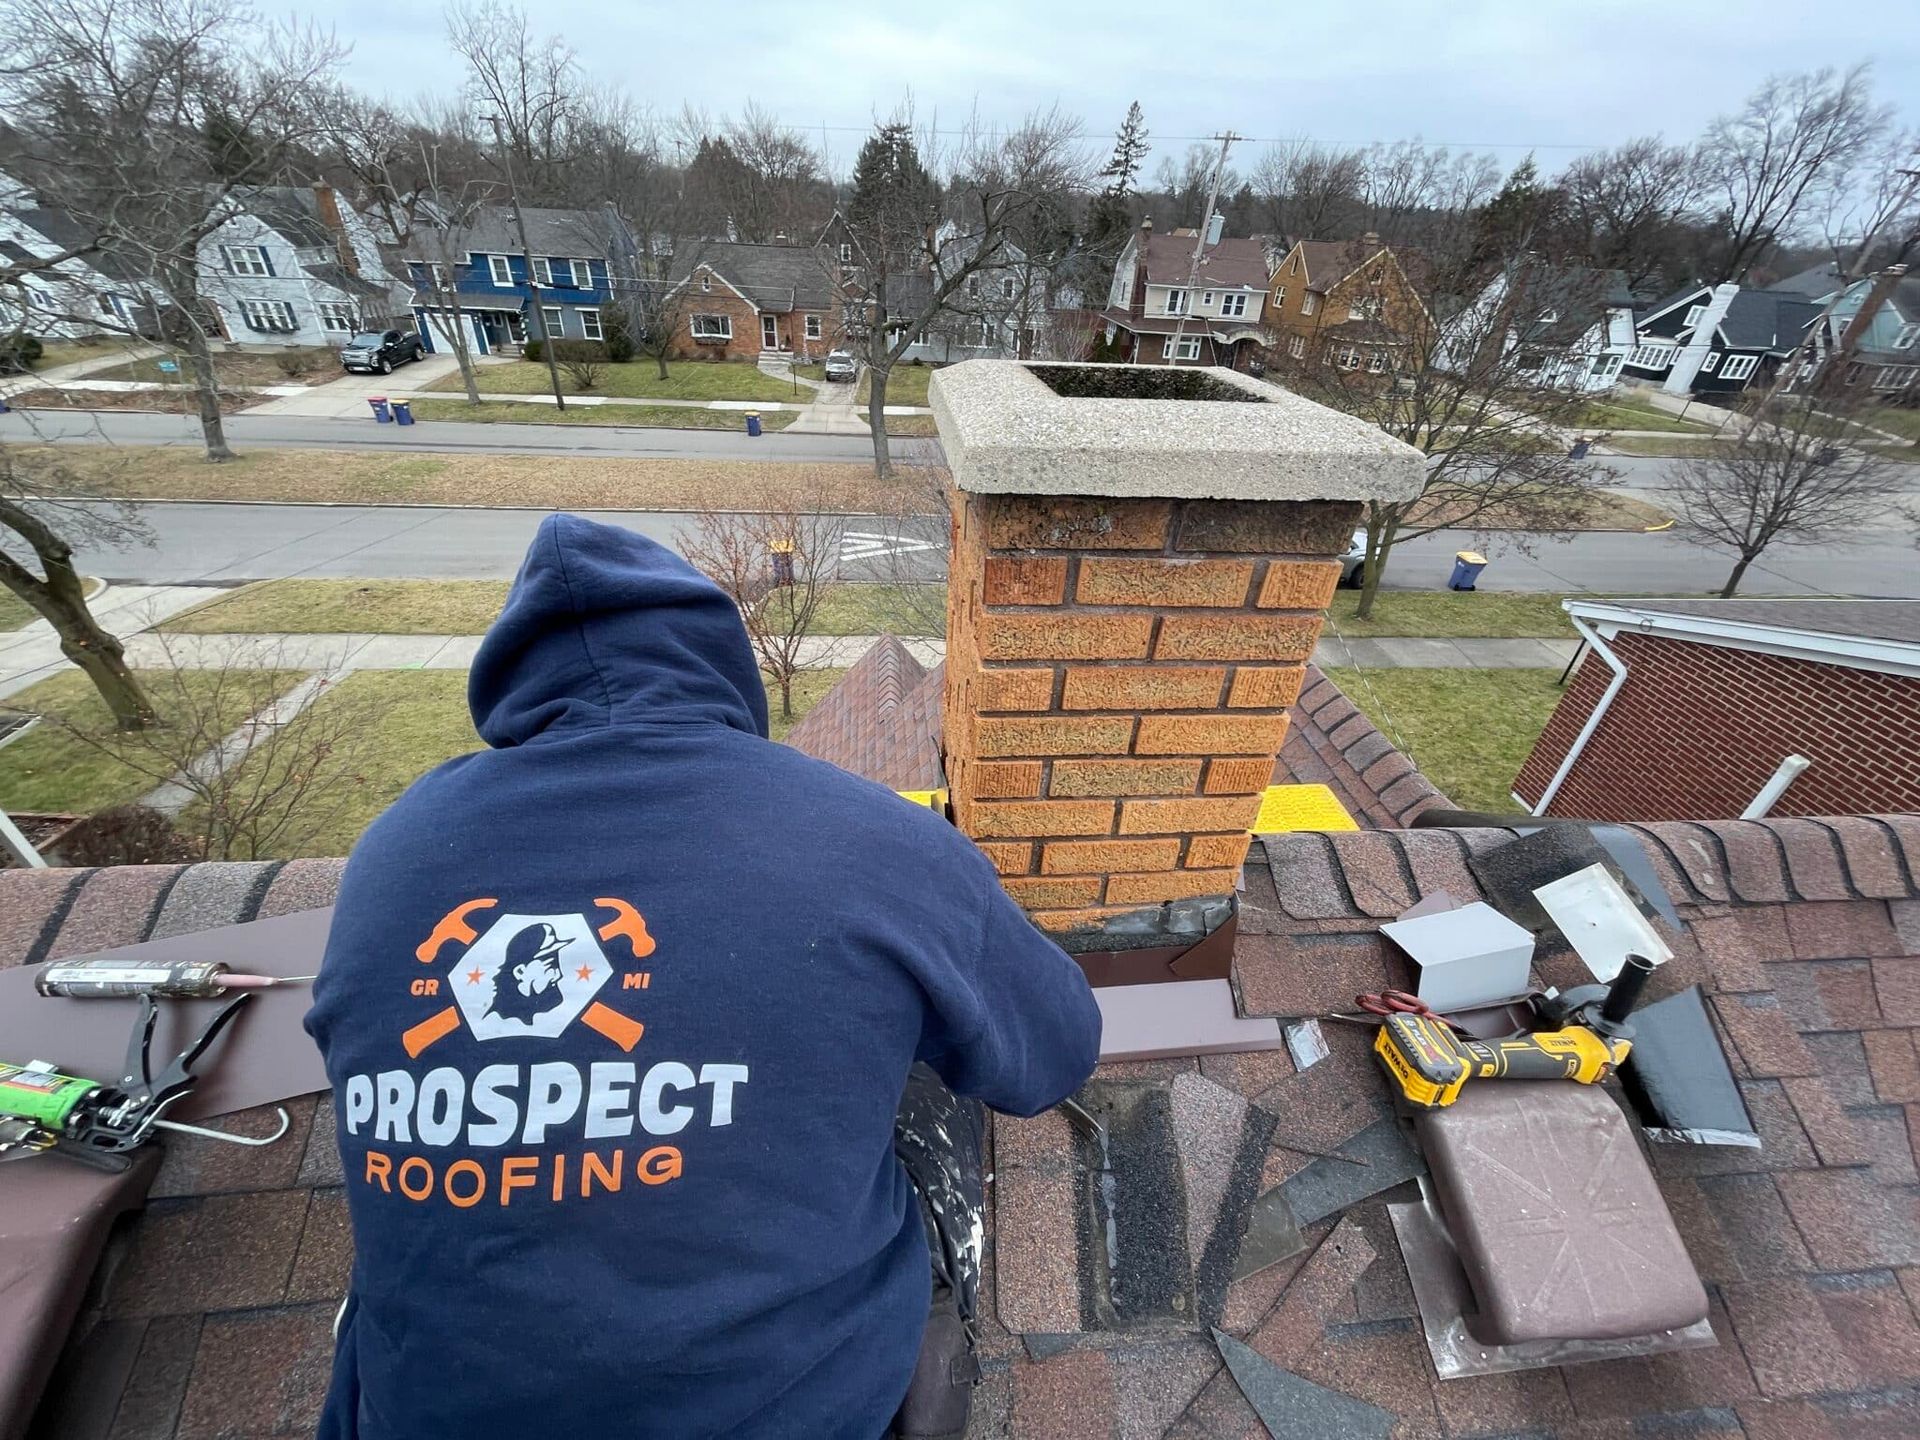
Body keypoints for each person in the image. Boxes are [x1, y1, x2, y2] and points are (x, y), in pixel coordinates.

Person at [306, 514, 1102, 1439]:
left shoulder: (392, 854)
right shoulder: (872, 841)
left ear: (509, 685)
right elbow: (1054, 1053)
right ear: (723, 667)